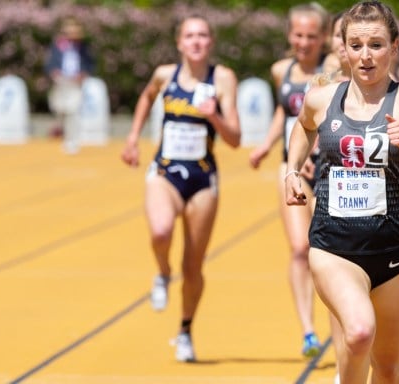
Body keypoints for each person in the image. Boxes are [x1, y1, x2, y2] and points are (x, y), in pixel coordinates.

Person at [285, 1, 399, 382]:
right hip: (334, 247)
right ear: (343, 48)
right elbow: (303, 125)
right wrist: (292, 169)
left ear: (394, 48)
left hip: (394, 254)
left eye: (376, 45)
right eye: (357, 45)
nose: (365, 56)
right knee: (359, 331)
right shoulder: (323, 97)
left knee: (388, 365)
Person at [120, 15, 241, 362]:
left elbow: (235, 138)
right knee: (160, 231)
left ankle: (185, 330)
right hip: (165, 170)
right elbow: (146, 98)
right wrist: (132, 138)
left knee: (194, 265)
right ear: (179, 42)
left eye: (203, 35)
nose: (196, 41)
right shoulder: (164, 75)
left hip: (203, 178)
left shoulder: (223, 78)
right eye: (190, 35)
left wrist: (214, 115)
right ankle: (161, 273)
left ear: (211, 41)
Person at [247, 2, 330, 358]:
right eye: (298, 34)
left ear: (324, 37)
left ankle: (339, 323)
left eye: (312, 35)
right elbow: (284, 110)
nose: (304, 42)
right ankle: (308, 331)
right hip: (291, 168)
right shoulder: (281, 70)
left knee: (327, 251)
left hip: (326, 168)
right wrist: (266, 145)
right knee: (299, 248)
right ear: (289, 34)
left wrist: (315, 153)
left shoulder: (334, 69)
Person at [44, 17, 95, 153]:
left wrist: (83, 75)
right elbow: (50, 63)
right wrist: (54, 73)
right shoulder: (58, 45)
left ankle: (72, 140)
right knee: (59, 109)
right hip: (60, 81)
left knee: (73, 111)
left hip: (75, 83)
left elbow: (90, 64)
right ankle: (60, 130)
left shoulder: (83, 46)